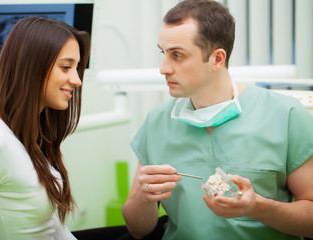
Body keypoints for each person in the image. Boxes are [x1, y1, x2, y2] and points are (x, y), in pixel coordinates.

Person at [122, 0, 313, 239]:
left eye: (177, 55)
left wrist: (258, 207)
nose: (163, 68)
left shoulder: (286, 115)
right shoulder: (157, 121)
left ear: (217, 59)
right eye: (163, 53)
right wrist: (144, 197)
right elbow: (137, 230)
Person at [0, 16, 90, 239]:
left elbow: (52, 226)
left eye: (77, 68)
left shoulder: (28, 136)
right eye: (66, 67)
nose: (77, 79)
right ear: (32, 66)